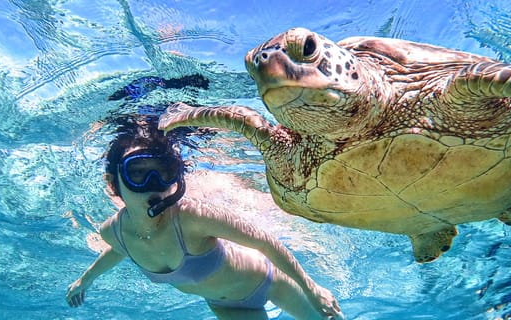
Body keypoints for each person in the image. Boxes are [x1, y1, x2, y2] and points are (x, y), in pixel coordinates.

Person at [65, 114, 344, 320]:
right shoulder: (113, 232)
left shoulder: (189, 217)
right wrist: (84, 281)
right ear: (113, 183)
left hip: (270, 282)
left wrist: (312, 289)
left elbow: (263, 240)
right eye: (137, 173)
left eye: (163, 172)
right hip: (224, 307)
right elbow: (118, 250)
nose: (153, 184)